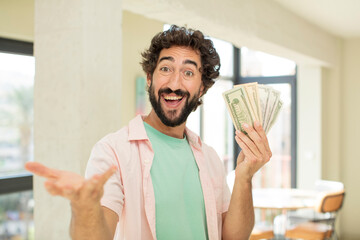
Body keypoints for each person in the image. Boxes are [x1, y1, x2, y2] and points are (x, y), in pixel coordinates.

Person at [26, 25, 272, 240]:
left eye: (188, 73)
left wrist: (244, 177)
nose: (174, 84)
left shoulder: (209, 158)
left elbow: (234, 237)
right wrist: (85, 208)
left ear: (201, 90)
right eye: (165, 69)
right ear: (149, 78)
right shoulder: (112, 151)